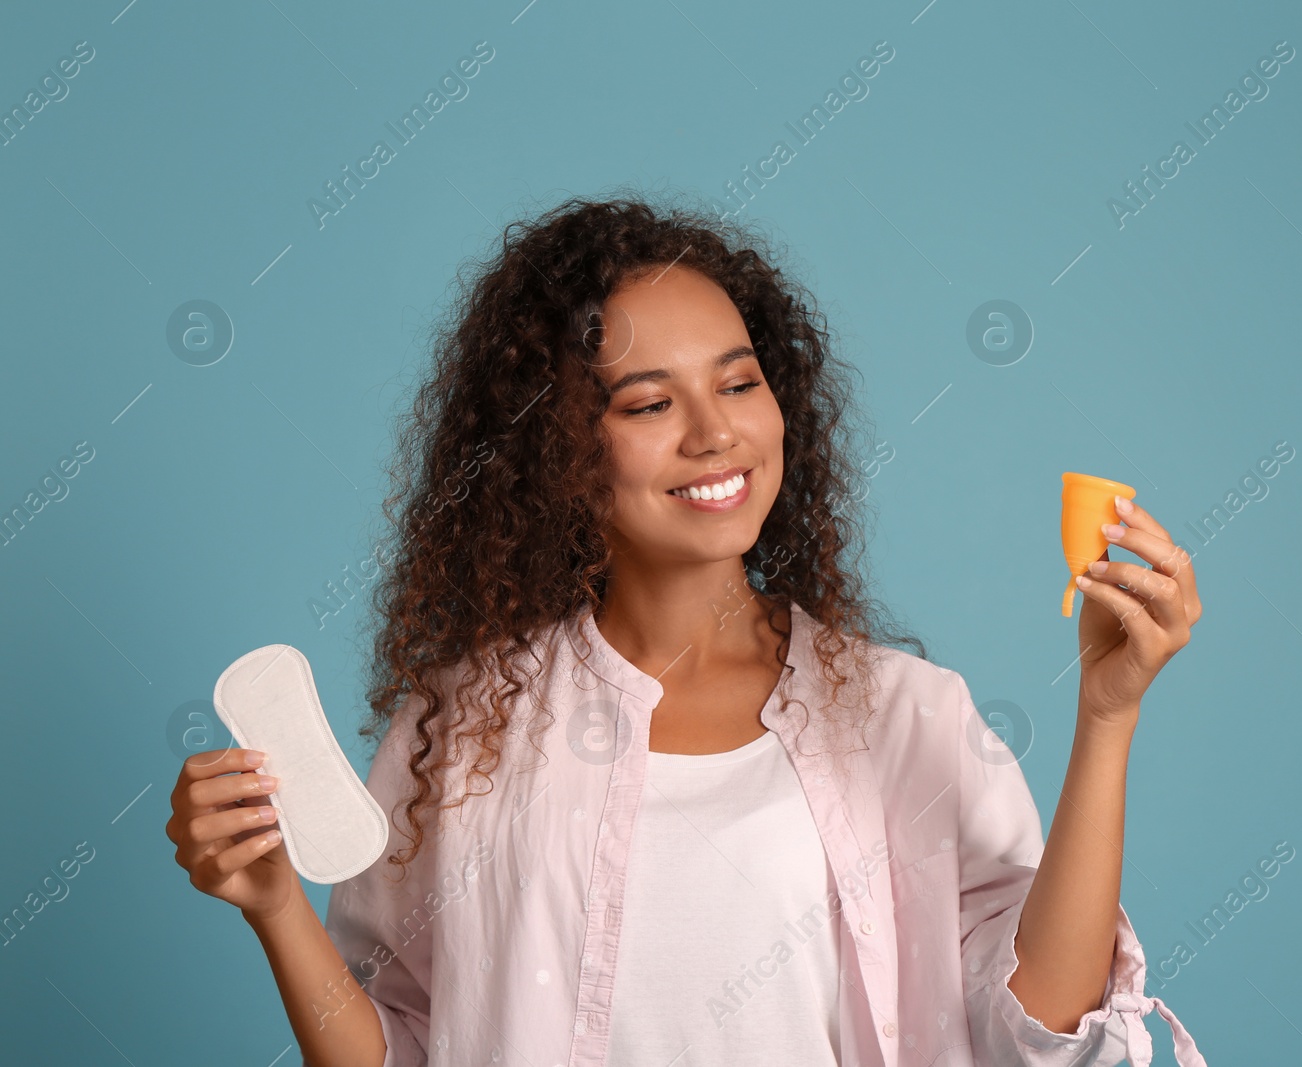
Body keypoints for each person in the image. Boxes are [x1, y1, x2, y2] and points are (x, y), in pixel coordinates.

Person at [166, 194, 1208, 1067]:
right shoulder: (462, 729)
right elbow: (393, 1045)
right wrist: (273, 905)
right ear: (556, 447)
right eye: (647, 402)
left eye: (739, 380)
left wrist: (1106, 719)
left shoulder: (907, 716)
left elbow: (1041, 1030)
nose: (715, 433)